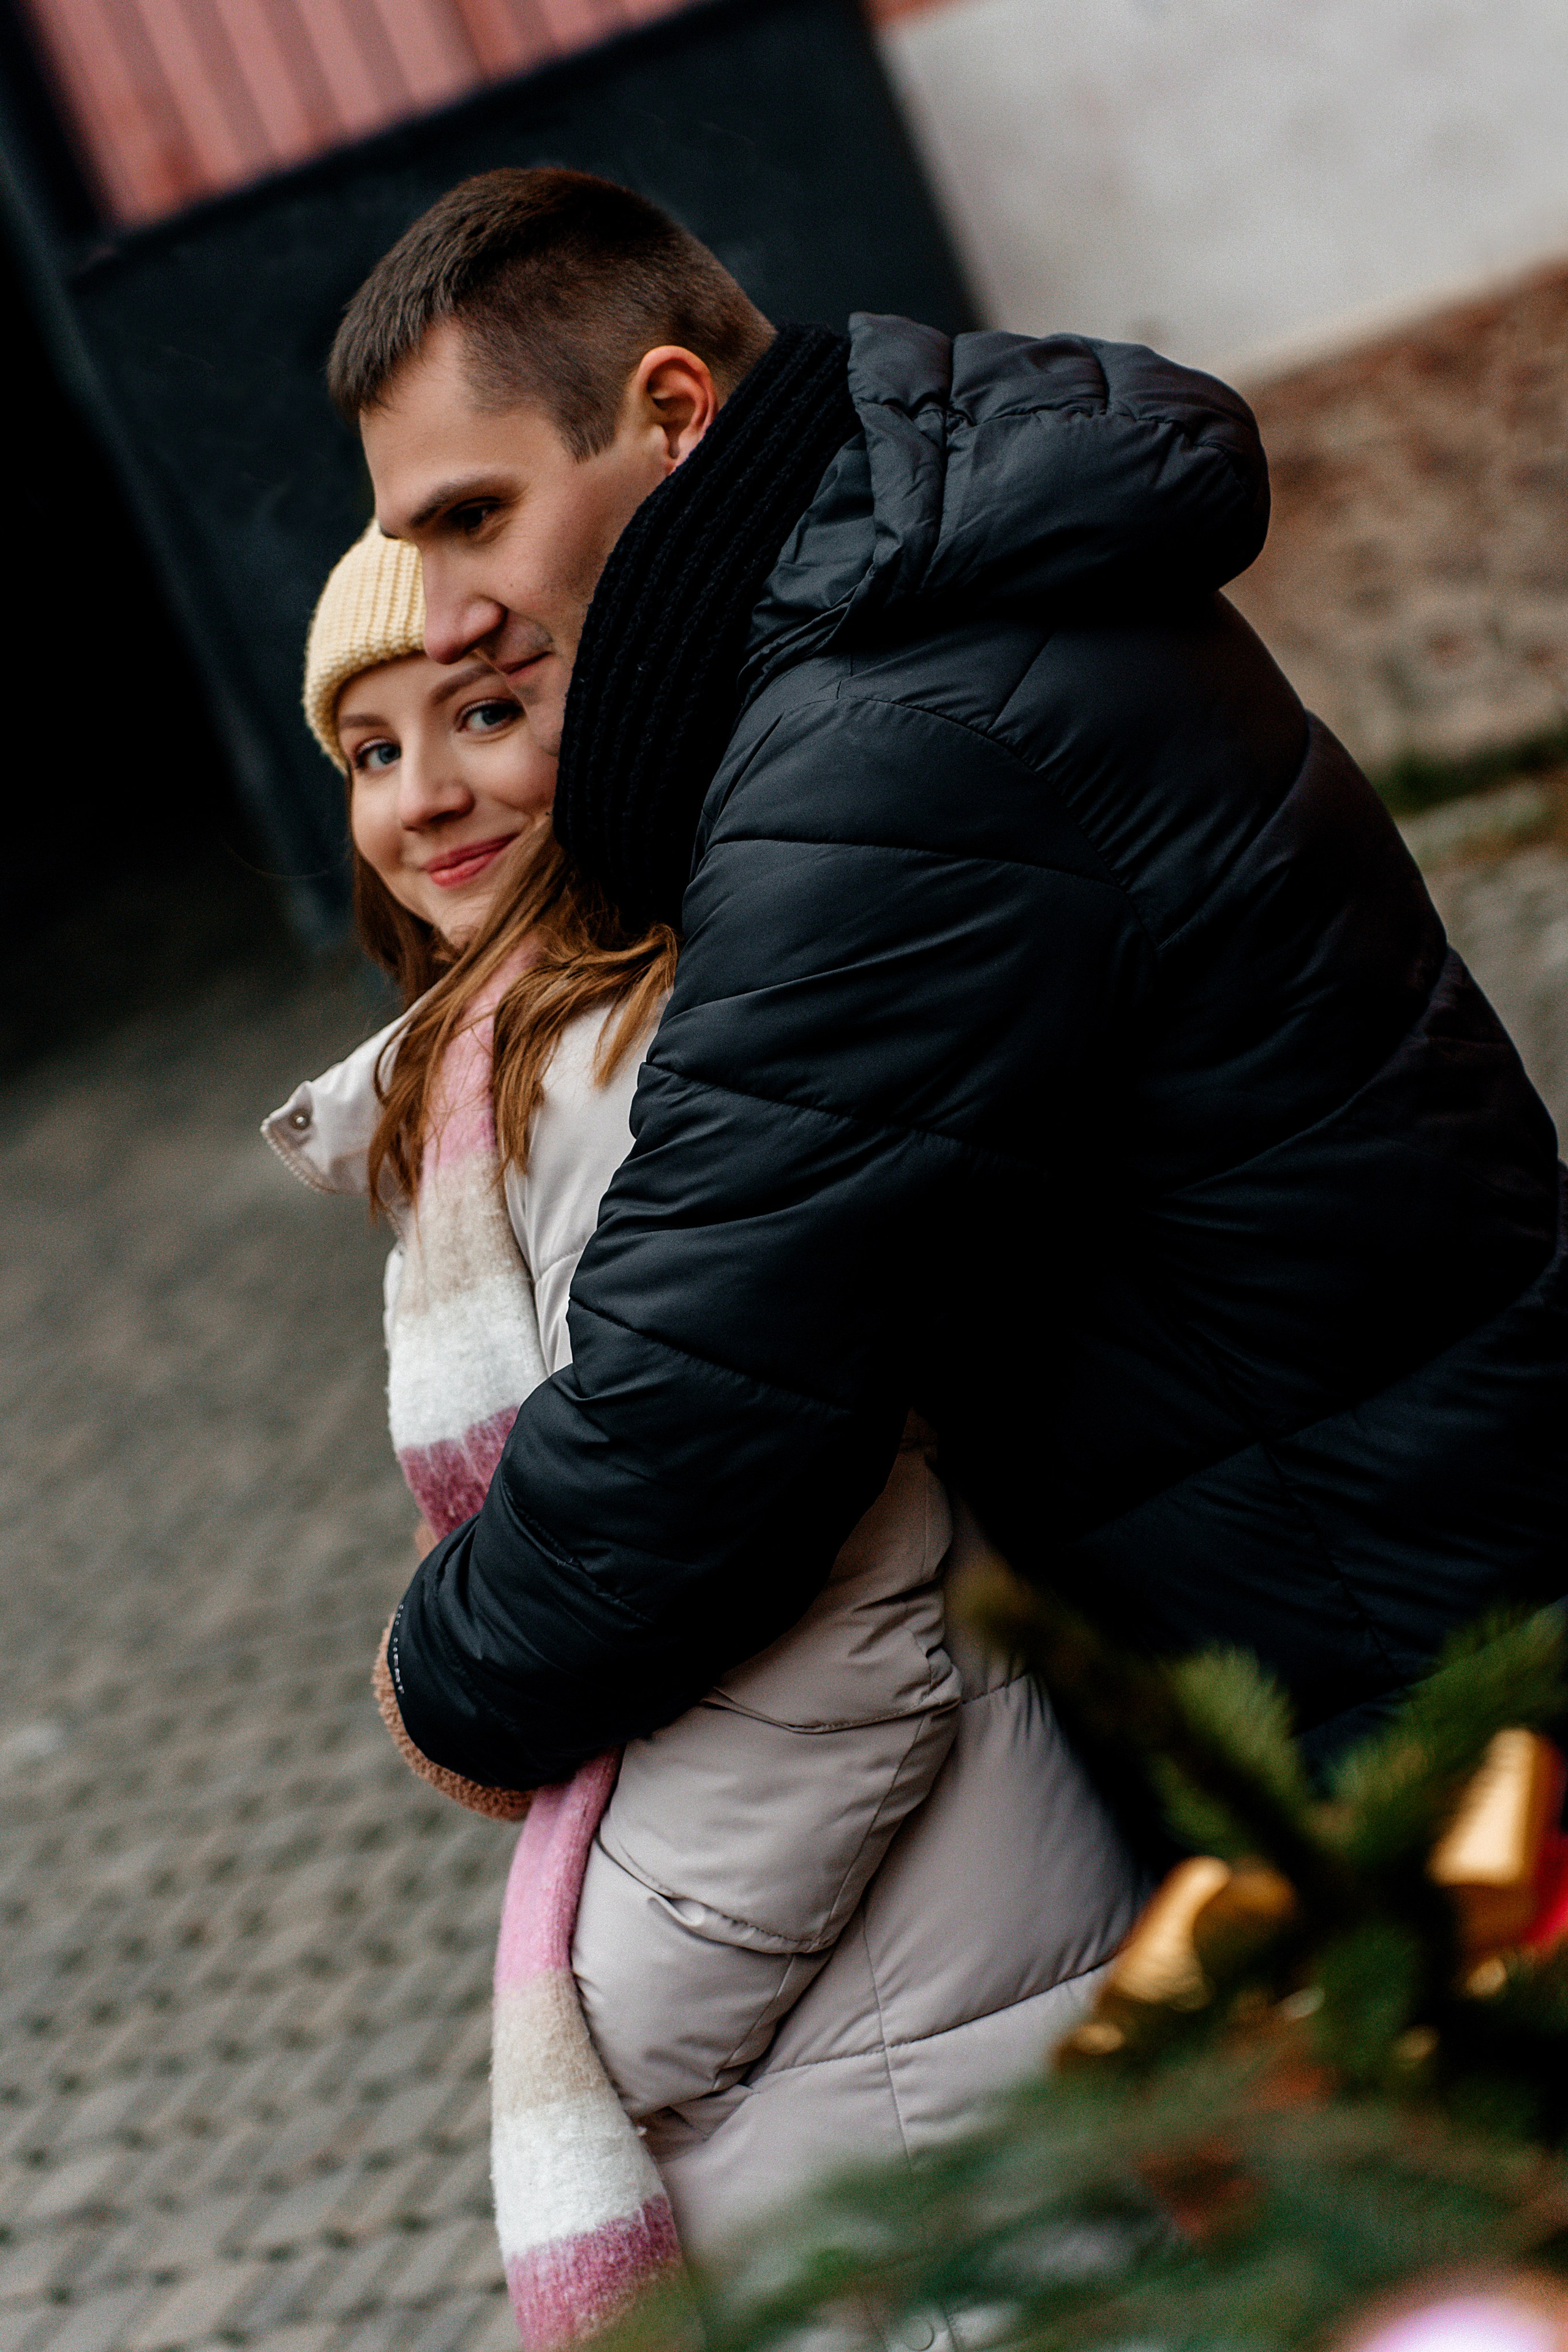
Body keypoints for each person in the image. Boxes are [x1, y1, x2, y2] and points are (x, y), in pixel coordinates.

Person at [340, 167, 1566, 1799]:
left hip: (1414, 1689)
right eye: (416, 544)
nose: (452, 614)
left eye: (476, 517)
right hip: (1423, 1566)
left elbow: (702, 1404)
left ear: (676, 415)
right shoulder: (933, 600)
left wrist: (444, 1681)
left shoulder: (881, 756)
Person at [263, 524, 1144, 2288]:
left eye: (488, 712)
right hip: (867, 1993)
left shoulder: (620, 1069)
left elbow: (851, 1612)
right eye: (371, 750)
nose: (425, 793)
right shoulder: (505, 1077)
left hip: (887, 2005)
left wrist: (612, 2021)